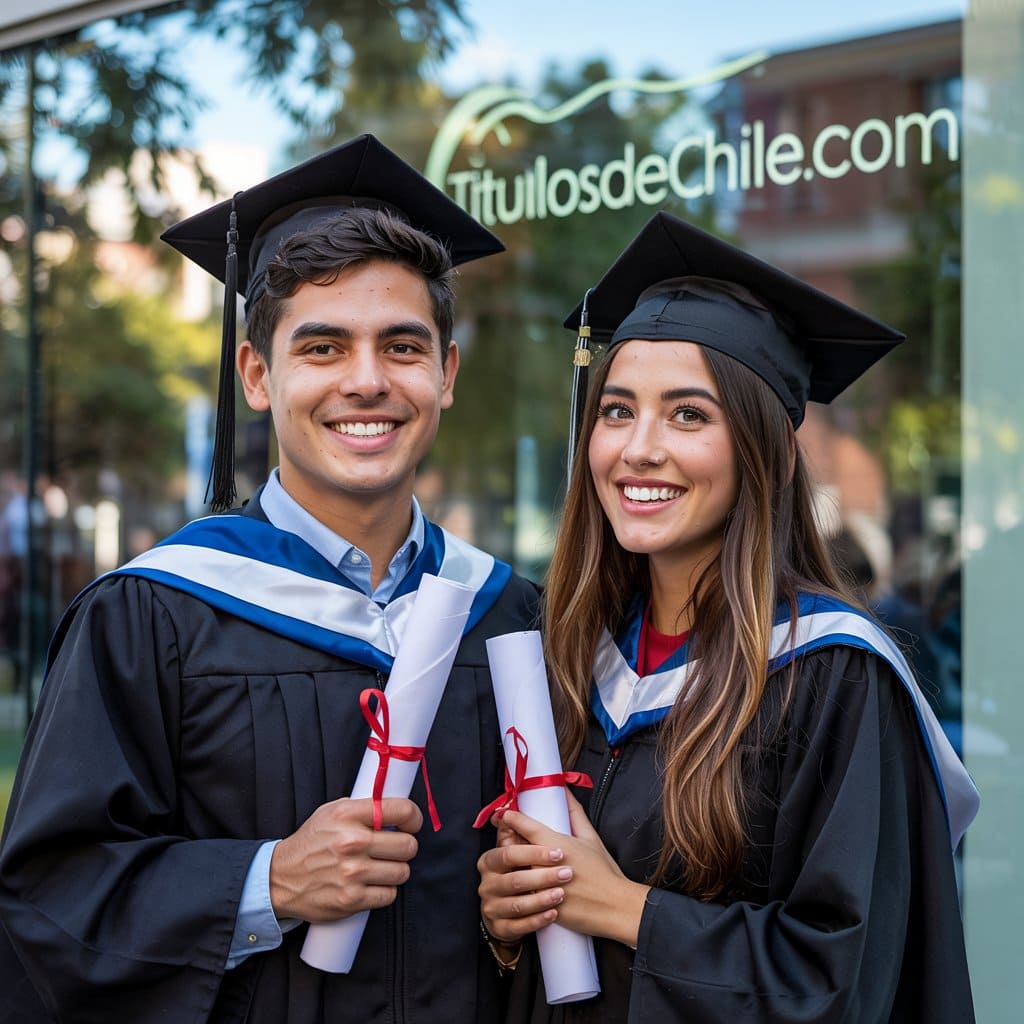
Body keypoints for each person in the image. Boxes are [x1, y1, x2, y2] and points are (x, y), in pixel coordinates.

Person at [0, 134, 539, 1023]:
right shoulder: (153, 614)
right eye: (322, 348)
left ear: (445, 374)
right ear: (257, 375)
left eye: (402, 347)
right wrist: (268, 881)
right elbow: (49, 900)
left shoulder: (510, 616)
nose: (367, 381)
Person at [477, 211, 979, 1022]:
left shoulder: (832, 675)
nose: (638, 448)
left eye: (688, 414)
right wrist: (509, 923)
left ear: (766, 450)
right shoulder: (570, 658)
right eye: (616, 411)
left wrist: (622, 908)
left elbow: (844, 979)